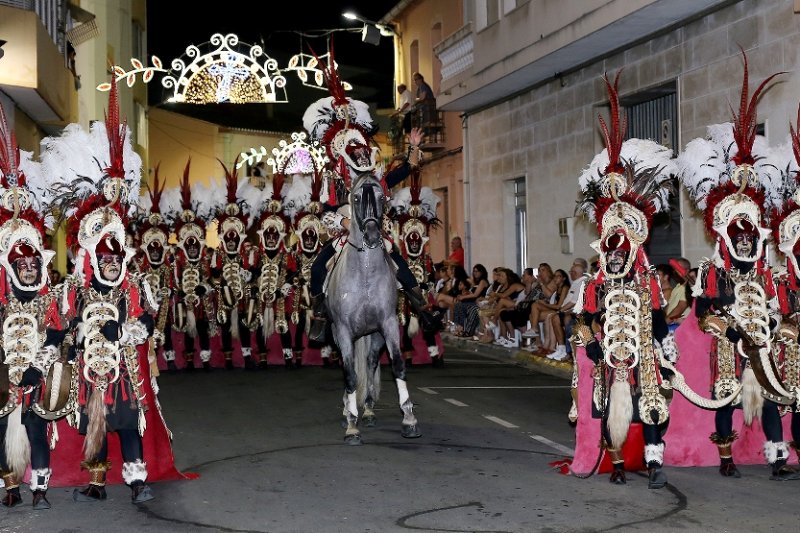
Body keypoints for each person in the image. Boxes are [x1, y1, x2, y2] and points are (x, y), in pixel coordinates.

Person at [676, 52, 789, 479]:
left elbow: (780, 306)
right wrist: (722, 326)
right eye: (737, 234)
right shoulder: (711, 271)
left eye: (749, 234)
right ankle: (725, 458)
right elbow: (703, 312)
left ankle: (777, 457)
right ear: (726, 235)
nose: (744, 239)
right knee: (726, 397)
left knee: (775, 396)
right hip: (727, 348)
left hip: (763, 343)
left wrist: (780, 323)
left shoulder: (768, 272)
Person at [574, 71, 677, 489]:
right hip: (608, 349)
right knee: (607, 402)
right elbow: (580, 320)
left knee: (651, 403)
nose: (615, 256)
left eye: (621, 251)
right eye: (610, 251)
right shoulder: (595, 282)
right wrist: (593, 343)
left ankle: (654, 463)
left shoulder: (646, 277)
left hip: (642, 349)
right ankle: (615, 464)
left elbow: (657, 315)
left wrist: (661, 347)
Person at [302, 55, 442, 343]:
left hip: (375, 231)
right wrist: (342, 219)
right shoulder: (335, 178)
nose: (360, 154)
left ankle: (423, 307)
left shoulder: (375, 178)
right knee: (317, 268)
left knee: (398, 260)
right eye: (354, 152)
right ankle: (320, 314)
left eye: (361, 151)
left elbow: (404, 170)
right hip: (347, 234)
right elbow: (326, 211)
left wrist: (413, 149)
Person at [0, 104, 67, 510]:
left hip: (38, 374)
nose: (27, 271)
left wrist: (40, 363)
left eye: (33, 265)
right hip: (5, 375)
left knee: (36, 429)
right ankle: (10, 487)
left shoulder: (48, 297)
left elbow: (58, 332)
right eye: (19, 265)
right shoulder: (2, 297)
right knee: (1, 429)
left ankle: (40, 487)